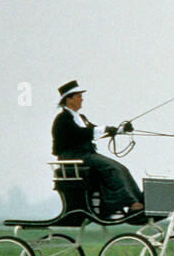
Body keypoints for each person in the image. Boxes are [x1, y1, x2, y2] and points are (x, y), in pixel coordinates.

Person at [51, 79, 144, 221]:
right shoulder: (62, 119)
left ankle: (139, 201)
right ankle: (129, 203)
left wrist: (119, 130)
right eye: (78, 96)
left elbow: (94, 130)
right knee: (112, 168)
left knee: (122, 168)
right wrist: (103, 129)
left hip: (86, 155)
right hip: (73, 157)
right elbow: (81, 133)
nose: (82, 99)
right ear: (68, 99)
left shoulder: (81, 118)